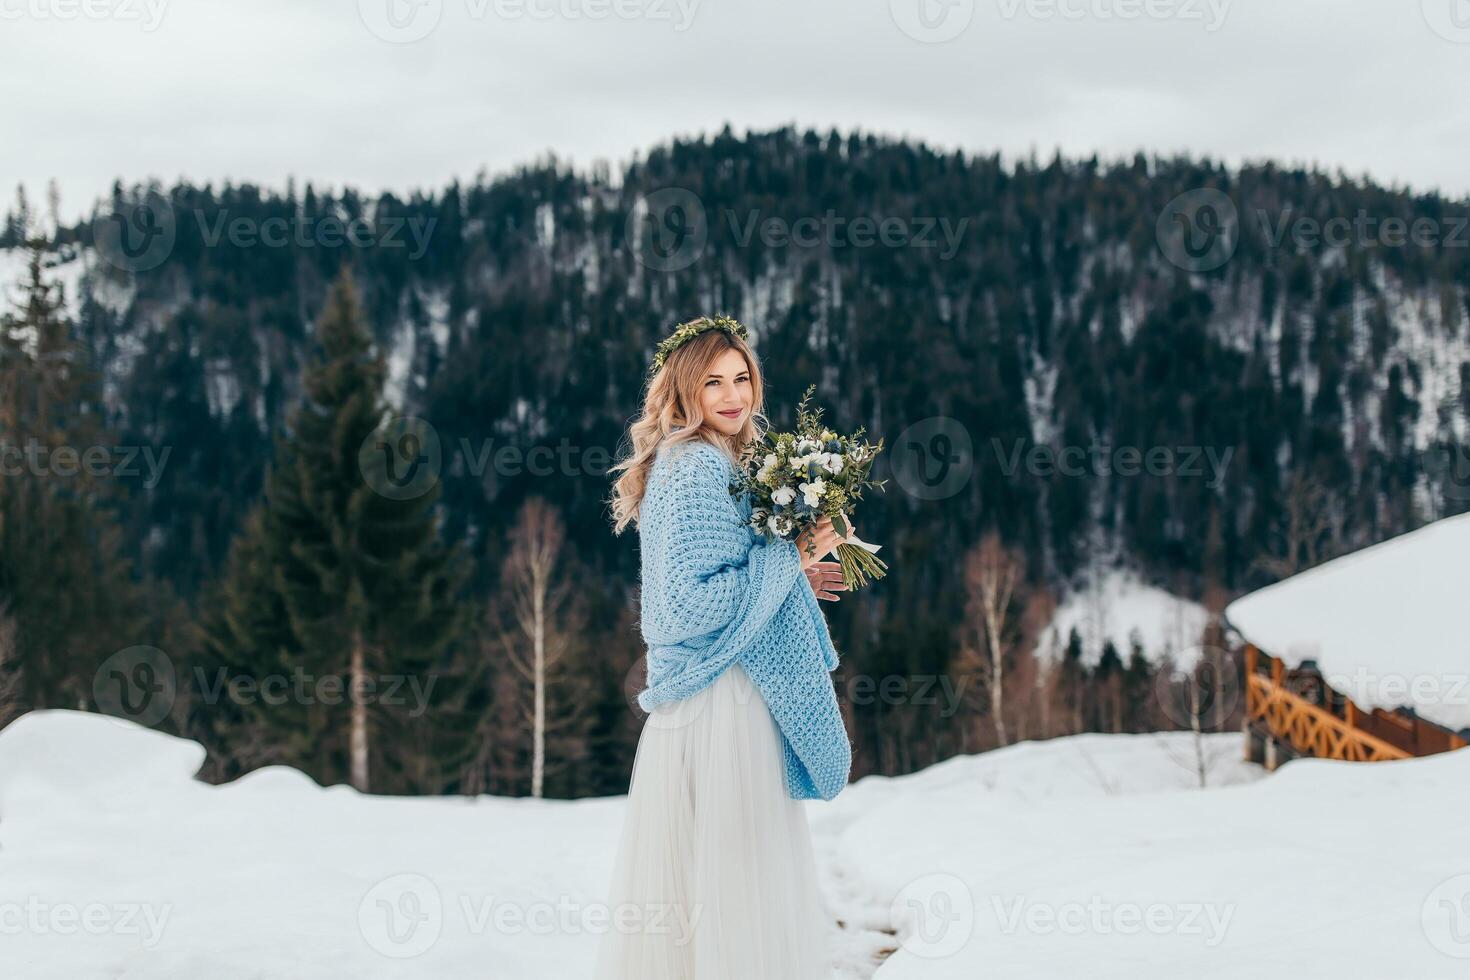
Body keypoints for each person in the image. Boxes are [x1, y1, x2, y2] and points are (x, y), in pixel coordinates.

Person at [597, 315, 853, 979]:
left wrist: (793, 571)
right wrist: (790, 553)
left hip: (723, 698)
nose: (733, 395)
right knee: (736, 877)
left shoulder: (719, 461)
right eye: (714, 382)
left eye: (741, 378)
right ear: (685, 392)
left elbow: (732, 569)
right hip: (719, 705)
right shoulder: (695, 468)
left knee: (724, 879)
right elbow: (689, 604)